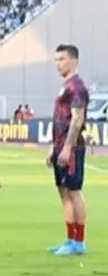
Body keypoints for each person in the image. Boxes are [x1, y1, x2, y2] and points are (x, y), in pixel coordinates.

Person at [48, 44, 90, 256]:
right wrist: (52, 148)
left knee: (74, 192)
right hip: (59, 147)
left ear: (74, 61)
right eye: (56, 59)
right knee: (63, 192)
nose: (58, 63)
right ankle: (69, 239)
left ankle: (79, 242)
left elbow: (77, 119)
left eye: (62, 59)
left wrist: (67, 148)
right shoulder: (66, 86)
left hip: (71, 149)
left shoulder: (77, 87)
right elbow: (59, 118)